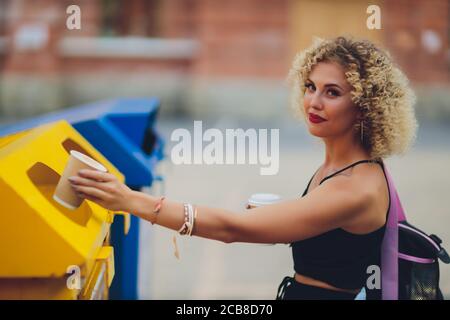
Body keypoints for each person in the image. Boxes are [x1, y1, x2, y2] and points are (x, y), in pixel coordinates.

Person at [67, 36, 418, 300]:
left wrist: (129, 201)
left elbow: (231, 228)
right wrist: (283, 214)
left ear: (363, 106)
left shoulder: (356, 187)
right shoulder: (340, 165)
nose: (313, 101)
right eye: (311, 87)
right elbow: (330, 236)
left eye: (332, 92)